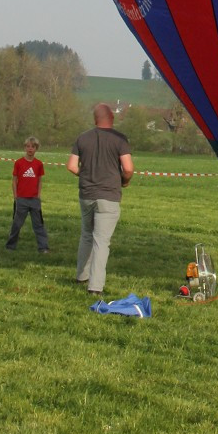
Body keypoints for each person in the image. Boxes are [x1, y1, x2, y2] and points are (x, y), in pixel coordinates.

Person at [66, 103, 134, 295]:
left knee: (86, 235)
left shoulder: (82, 137)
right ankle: (95, 287)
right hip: (109, 195)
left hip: (86, 194)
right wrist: (124, 181)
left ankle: (81, 276)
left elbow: (71, 166)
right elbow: (128, 168)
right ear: (111, 118)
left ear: (95, 119)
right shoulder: (120, 139)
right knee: (101, 241)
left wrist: (86, 174)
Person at [5, 137, 49, 253]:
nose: (30, 149)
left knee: (39, 225)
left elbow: (40, 180)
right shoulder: (19, 163)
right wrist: (16, 196)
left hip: (34, 200)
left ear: (36, 149)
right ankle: (10, 246)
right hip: (21, 199)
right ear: (25, 148)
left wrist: (38, 195)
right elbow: (14, 180)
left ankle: (43, 247)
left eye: (33, 147)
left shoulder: (38, 164)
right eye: (28, 146)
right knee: (16, 224)